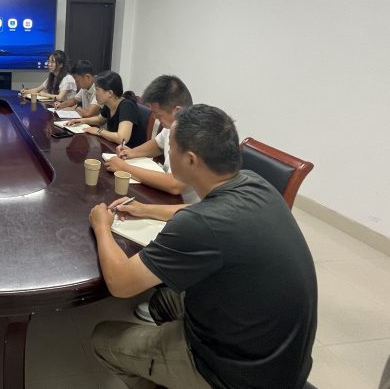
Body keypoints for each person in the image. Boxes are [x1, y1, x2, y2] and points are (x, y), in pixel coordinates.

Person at [89, 104, 317, 389]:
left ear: (190, 160)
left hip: (239, 374)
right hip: (279, 355)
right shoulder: (254, 182)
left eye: (171, 148)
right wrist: (146, 210)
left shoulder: (200, 225)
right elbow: (200, 211)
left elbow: (121, 284)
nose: (167, 153)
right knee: (161, 301)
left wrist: (101, 226)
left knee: (102, 338)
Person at [104, 75, 198, 202]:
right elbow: (157, 144)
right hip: (168, 198)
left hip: (185, 205)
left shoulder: (194, 135)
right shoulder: (173, 125)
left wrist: (124, 168)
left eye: (158, 114)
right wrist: (131, 152)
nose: (155, 118)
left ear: (177, 111)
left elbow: (175, 184)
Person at [68, 71, 144, 147]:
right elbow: (99, 120)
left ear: (110, 93)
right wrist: (81, 121)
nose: (95, 93)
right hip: (115, 147)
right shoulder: (109, 104)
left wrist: (99, 131)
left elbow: (122, 138)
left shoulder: (126, 106)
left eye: (97, 89)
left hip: (130, 151)